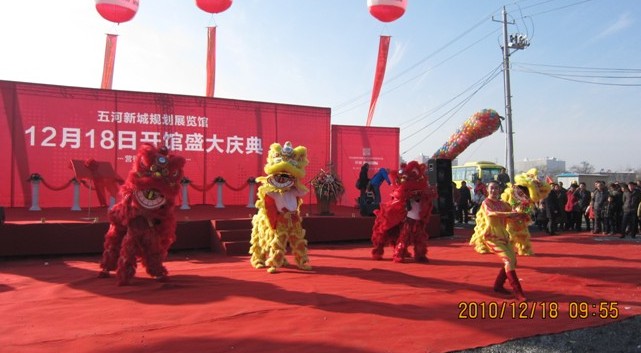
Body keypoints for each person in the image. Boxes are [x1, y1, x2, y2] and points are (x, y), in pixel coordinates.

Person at [469, 181, 529, 301]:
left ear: (499, 190)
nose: (494, 190)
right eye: (491, 188)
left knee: (513, 261)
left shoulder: (503, 204)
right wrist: (509, 214)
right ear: (487, 189)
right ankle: (518, 292)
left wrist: (523, 207)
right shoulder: (486, 202)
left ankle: (498, 285)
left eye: (496, 188)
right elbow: (491, 214)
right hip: (492, 237)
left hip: (504, 237)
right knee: (508, 260)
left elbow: (515, 212)